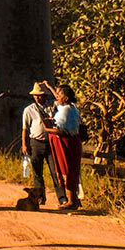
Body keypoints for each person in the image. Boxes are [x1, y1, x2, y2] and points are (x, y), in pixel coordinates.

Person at [19, 81, 66, 211]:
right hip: (36, 142)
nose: (38, 97)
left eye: (40, 95)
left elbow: (59, 100)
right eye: (36, 95)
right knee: (37, 172)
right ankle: (40, 198)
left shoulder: (51, 107)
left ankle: (62, 198)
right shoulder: (28, 110)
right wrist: (24, 144)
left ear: (45, 95)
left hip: (50, 143)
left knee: (55, 172)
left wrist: (50, 87)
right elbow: (25, 129)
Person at [48, 83, 83, 211]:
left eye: (60, 94)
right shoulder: (70, 108)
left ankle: (71, 201)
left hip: (66, 142)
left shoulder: (67, 109)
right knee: (68, 169)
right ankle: (73, 199)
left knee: (67, 169)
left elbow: (61, 128)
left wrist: (48, 128)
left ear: (66, 97)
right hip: (66, 141)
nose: (57, 96)